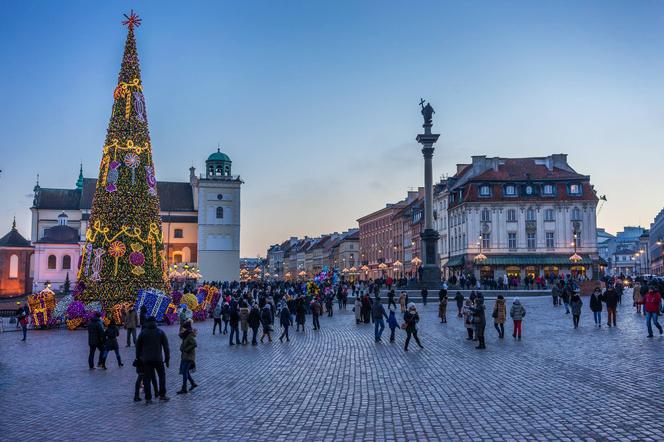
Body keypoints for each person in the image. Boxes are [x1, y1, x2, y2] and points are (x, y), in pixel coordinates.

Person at [136, 316, 170, 404]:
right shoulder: (160, 332)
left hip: (146, 359)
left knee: (147, 378)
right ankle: (162, 395)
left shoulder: (143, 333)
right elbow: (166, 347)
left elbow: (138, 347)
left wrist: (138, 358)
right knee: (161, 376)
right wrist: (167, 359)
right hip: (158, 358)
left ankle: (148, 398)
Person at [176, 320, 198, 395]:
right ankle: (192, 383)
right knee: (184, 371)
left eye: (183, 328)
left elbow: (194, 344)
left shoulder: (189, 336)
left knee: (184, 372)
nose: (182, 329)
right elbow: (180, 335)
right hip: (185, 356)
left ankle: (184, 388)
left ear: (186, 329)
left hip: (188, 357)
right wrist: (182, 332)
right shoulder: (185, 335)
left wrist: (186, 350)